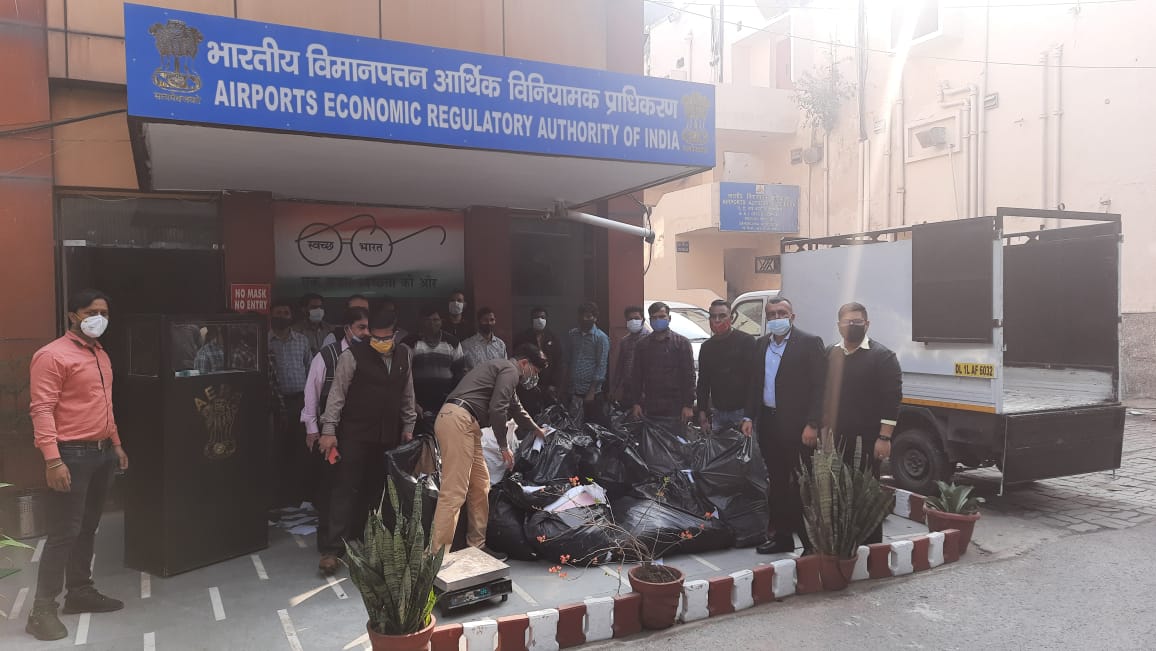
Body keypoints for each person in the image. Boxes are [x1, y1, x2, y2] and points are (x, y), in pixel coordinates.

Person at [26, 289, 130, 641]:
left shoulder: (100, 354)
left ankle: (80, 591)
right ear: (73, 315)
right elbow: (42, 409)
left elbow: (105, 405)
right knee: (64, 532)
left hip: (101, 453)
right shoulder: (51, 356)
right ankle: (41, 609)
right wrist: (53, 460)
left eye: (104, 312)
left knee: (88, 527)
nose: (99, 318)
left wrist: (116, 444)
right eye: (91, 311)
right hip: (70, 455)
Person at [318, 309, 417, 572]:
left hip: (388, 436)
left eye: (385, 338)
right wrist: (329, 430)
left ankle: (369, 542)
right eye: (375, 337)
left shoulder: (404, 355)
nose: (380, 342)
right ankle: (332, 549)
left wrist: (409, 426)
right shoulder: (351, 356)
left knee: (378, 491)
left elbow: (407, 394)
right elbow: (336, 395)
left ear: (395, 334)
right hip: (354, 434)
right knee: (345, 488)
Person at [431, 344, 547, 559]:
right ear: (524, 363)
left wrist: (536, 430)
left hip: (467, 423)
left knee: (480, 485)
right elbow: (498, 407)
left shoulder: (504, 371)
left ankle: (477, 546)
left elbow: (516, 407)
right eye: (535, 371)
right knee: (454, 491)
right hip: (458, 419)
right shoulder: (510, 370)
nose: (534, 376)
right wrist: (503, 446)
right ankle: (435, 557)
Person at [741, 296, 826, 555]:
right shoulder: (761, 345)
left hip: (799, 428)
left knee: (801, 485)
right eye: (772, 314)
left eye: (782, 313)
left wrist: (813, 423)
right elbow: (754, 383)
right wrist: (748, 417)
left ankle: (810, 543)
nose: (777, 318)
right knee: (777, 484)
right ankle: (782, 538)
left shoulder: (810, 343)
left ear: (792, 316)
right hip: (769, 424)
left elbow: (820, 387)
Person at [822, 302, 903, 545]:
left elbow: (892, 400)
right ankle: (845, 544)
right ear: (838, 325)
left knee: (867, 494)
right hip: (836, 439)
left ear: (867, 324)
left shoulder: (883, 357)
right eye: (847, 322)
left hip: (868, 441)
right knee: (838, 492)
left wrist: (884, 438)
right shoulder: (830, 353)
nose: (852, 326)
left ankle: (871, 547)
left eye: (857, 322)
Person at [300, 307, 370, 575]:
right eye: (361, 327)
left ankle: (354, 538)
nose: (366, 333)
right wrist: (313, 430)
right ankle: (330, 546)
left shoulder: (369, 355)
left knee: (356, 488)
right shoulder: (327, 356)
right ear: (347, 329)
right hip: (330, 434)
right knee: (331, 489)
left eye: (368, 327)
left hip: (359, 433)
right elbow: (311, 393)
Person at [268, 298, 314, 508]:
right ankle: (278, 498)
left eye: (285, 313)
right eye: (278, 313)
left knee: (300, 450)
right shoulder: (264, 341)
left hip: (299, 402)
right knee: (277, 450)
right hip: (275, 404)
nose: (282, 316)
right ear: (271, 315)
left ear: (291, 316)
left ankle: (298, 497)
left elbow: (311, 371)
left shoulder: (302, 341)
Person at [626, 302, 695, 422]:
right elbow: (636, 376)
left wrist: (688, 405)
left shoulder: (681, 343)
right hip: (650, 407)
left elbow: (689, 376)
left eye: (662, 316)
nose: (658, 320)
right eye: (654, 317)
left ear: (669, 318)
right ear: (650, 320)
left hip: (676, 408)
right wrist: (636, 403)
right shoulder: (642, 345)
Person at [696, 300, 757, 433]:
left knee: (743, 447)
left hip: (742, 414)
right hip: (718, 413)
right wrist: (702, 412)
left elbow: (754, 381)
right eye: (713, 316)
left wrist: (749, 416)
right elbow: (703, 382)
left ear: (731, 318)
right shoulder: (706, 347)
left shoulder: (746, 342)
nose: (717, 320)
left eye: (722, 316)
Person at [403, 305, 466, 418]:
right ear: (420, 321)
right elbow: (403, 377)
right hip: (417, 406)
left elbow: (460, 375)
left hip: (447, 405)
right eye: (427, 320)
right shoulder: (409, 342)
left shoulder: (452, 342)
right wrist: (414, 404)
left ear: (441, 321)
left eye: (435, 320)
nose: (431, 323)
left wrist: (454, 403)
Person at [512, 306, 563, 416]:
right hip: (528, 386)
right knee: (529, 414)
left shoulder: (553, 338)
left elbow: (559, 363)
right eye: (536, 317)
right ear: (531, 320)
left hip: (548, 386)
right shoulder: (522, 338)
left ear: (547, 319)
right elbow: (517, 361)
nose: (540, 320)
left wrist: (554, 384)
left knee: (548, 416)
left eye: (542, 317)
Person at [565, 302, 611, 426]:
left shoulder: (601, 338)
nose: (585, 319)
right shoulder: (573, 334)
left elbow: (601, 366)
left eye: (589, 316)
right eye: (582, 316)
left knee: (593, 427)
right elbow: (568, 360)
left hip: (591, 394)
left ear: (595, 318)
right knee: (574, 427)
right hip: (574, 391)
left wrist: (591, 391)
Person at [610, 305, 649, 404]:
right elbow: (620, 366)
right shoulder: (625, 341)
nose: (633, 321)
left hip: (646, 390)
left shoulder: (650, 339)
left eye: (636, 318)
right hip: (628, 388)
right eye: (630, 319)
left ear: (643, 320)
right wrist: (614, 388)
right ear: (626, 321)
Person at [461, 307, 506, 371]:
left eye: (492, 320)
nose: (489, 323)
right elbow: (463, 371)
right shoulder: (466, 345)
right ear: (478, 322)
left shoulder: (501, 345)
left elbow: (505, 369)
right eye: (485, 320)